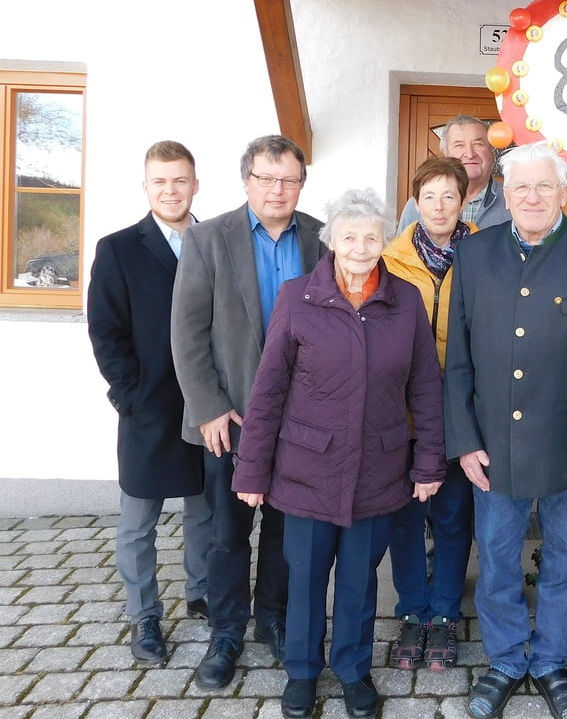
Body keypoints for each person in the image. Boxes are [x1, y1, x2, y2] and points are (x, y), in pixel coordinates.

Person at [232, 189, 446, 719]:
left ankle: (353, 670)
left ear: (384, 242)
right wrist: (252, 470)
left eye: (371, 237)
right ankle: (302, 672)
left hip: (378, 468)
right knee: (304, 579)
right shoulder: (297, 297)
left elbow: (425, 387)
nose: (360, 248)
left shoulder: (405, 301)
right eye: (349, 237)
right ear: (331, 240)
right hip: (308, 469)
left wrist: (429, 462)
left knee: (358, 580)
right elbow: (268, 390)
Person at [445, 142, 567, 719]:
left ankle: (551, 660)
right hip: (494, 444)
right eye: (521, 187)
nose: (532, 197)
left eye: (544, 186)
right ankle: (506, 659)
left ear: (564, 194)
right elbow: (459, 359)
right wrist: (465, 440)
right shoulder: (474, 254)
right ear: (506, 194)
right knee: (498, 557)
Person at [171, 135, 326, 691]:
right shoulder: (208, 239)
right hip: (229, 421)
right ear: (246, 181)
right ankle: (226, 632)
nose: (278, 189)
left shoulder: (321, 239)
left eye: (289, 180)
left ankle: (274, 620)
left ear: (301, 184)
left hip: (300, 422)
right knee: (226, 534)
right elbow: (187, 332)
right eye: (267, 178)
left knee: (286, 531)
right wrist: (209, 407)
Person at [87, 140, 210, 665]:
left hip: (208, 405)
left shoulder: (215, 241)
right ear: (146, 186)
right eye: (160, 181)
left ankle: (202, 594)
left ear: (195, 184)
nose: (170, 190)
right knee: (139, 522)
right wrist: (129, 396)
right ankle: (144, 617)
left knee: (206, 512)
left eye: (180, 180)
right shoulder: (118, 249)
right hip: (149, 406)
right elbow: (106, 331)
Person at [382, 157, 476, 671]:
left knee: (453, 516)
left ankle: (444, 614)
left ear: (464, 201)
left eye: (449, 196)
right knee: (406, 517)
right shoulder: (391, 259)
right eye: (429, 197)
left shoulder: (486, 253)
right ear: (415, 202)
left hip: (461, 410)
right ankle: (412, 611)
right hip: (402, 414)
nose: (439, 207)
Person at [397, 115, 511, 233]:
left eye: (478, 144)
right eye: (459, 145)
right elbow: (400, 245)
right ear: (446, 154)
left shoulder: (513, 200)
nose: (470, 154)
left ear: (492, 153)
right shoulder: (417, 206)